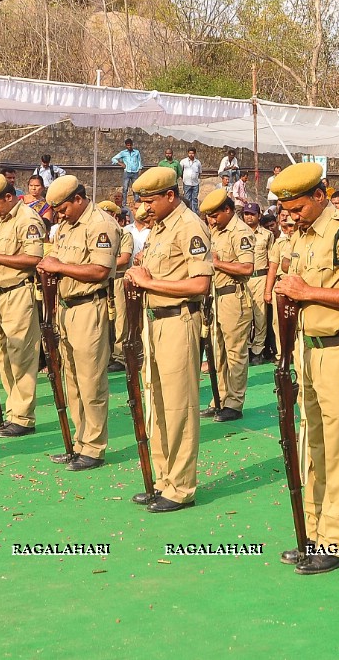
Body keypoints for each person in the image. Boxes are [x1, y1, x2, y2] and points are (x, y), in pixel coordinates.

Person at [270, 162, 339, 575]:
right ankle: (313, 531)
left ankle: (334, 538)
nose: (290, 216)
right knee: (312, 445)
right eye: (286, 209)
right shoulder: (299, 238)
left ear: (319, 195)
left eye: (296, 207)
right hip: (308, 349)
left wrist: (306, 291)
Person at [124, 166, 212, 513]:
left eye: (149, 201)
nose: (144, 209)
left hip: (180, 320)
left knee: (179, 407)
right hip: (157, 321)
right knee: (158, 405)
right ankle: (163, 480)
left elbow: (198, 286)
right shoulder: (161, 228)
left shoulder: (190, 226)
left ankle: (181, 487)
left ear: (170, 196)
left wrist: (148, 282)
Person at [37, 175, 119, 470]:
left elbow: (100, 270)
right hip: (66, 308)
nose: (60, 216)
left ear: (78, 199)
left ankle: (94, 447)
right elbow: (56, 260)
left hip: (89, 307)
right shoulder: (66, 227)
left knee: (91, 381)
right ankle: (79, 441)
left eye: (63, 209)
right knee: (72, 380)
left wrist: (58, 267)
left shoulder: (100, 224)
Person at [0, 174, 45, 436]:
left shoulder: (27, 219)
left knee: (21, 357)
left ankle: (24, 417)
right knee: (3, 355)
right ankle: (13, 412)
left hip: (19, 293)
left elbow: (33, 258)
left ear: (8, 196)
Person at [199, 188, 255, 422]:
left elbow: (246, 268)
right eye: (209, 216)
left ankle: (234, 402)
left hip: (234, 297)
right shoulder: (216, 231)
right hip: (215, 298)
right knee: (217, 351)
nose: (211, 220)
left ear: (228, 210)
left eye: (215, 215)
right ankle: (219, 398)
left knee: (235, 353)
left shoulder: (240, 231)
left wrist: (218, 263)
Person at [240, 203, 272, 365]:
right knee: (244, 315)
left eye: (252, 214)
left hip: (260, 277)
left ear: (259, 215)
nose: (249, 217)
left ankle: (258, 350)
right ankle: (245, 348)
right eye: (246, 214)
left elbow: (272, 259)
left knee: (260, 317)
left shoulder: (267, 235)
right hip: (243, 278)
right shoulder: (238, 234)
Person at [103, 201, 132, 374]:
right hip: (104, 281)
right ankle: (106, 355)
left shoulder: (124, 234)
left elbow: (124, 258)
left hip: (119, 279)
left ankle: (120, 355)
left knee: (121, 318)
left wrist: (102, 264)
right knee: (105, 319)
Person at [111, 138, 143, 202]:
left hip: (135, 172)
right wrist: (120, 163)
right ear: (126, 145)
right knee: (125, 188)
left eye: (130, 145)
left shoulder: (136, 152)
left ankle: (136, 202)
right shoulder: (123, 153)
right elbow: (113, 159)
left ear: (132, 145)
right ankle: (124, 203)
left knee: (136, 188)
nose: (129, 146)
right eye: (128, 145)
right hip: (127, 172)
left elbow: (139, 161)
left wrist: (140, 169)